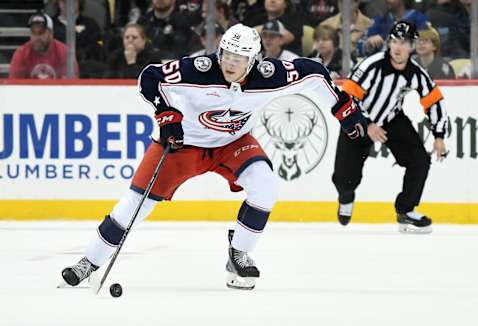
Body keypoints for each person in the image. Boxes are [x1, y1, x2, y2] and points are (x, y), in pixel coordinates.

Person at [61, 23, 367, 290]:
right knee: (133, 207)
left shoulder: (269, 76)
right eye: (227, 55)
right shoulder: (199, 69)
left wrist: (344, 109)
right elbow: (150, 77)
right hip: (184, 145)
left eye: (239, 58)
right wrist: (167, 115)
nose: (230, 63)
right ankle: (89, 262)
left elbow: (314, 74)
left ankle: (238, 255)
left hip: (233, 142)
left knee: (266, 186)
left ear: (254, 60)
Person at [333, 21, 449, 233]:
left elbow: (434, 101)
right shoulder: (370, 65)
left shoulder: (415, 73)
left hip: (391, 119)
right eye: (395, 41)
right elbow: (347, 97)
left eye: (404, 43)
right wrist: (367, 124)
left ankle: (405, 211)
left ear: (412, 46)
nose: (398, 47)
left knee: (420, 161)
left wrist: (439, 135)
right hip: (358, 120)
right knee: (345, 179)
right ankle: (346, 197)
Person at [9, 13, 79, 79]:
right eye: (33, 32)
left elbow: (71, 86)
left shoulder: (65, 53)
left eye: (41, 32)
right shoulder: (22, 53)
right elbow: (14, 86)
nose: (37, 37)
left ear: (51, 33)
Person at [357, 0, 428, 56]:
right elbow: (361, 46)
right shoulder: (380, 19)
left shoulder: (418, 18)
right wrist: (369, 44)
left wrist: (384, 37)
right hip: (382, 64)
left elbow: (423, 44)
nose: (387, 0)